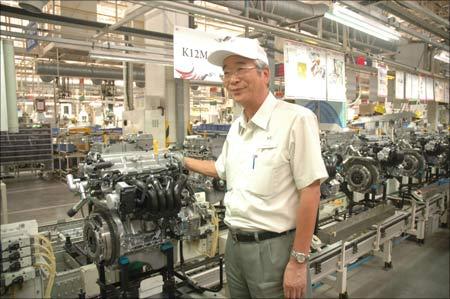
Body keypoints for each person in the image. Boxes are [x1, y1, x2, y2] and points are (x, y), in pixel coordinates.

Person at [175, 37, 328, 299]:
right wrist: (181, 161)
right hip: (234, 247)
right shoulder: (237, 127)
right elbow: (220, 169)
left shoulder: (296, 119)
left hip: (274, 250)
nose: (231, 79)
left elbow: (311, 191)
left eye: (240, 69)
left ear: (264, 74)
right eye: (226, 73)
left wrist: (299, 260)